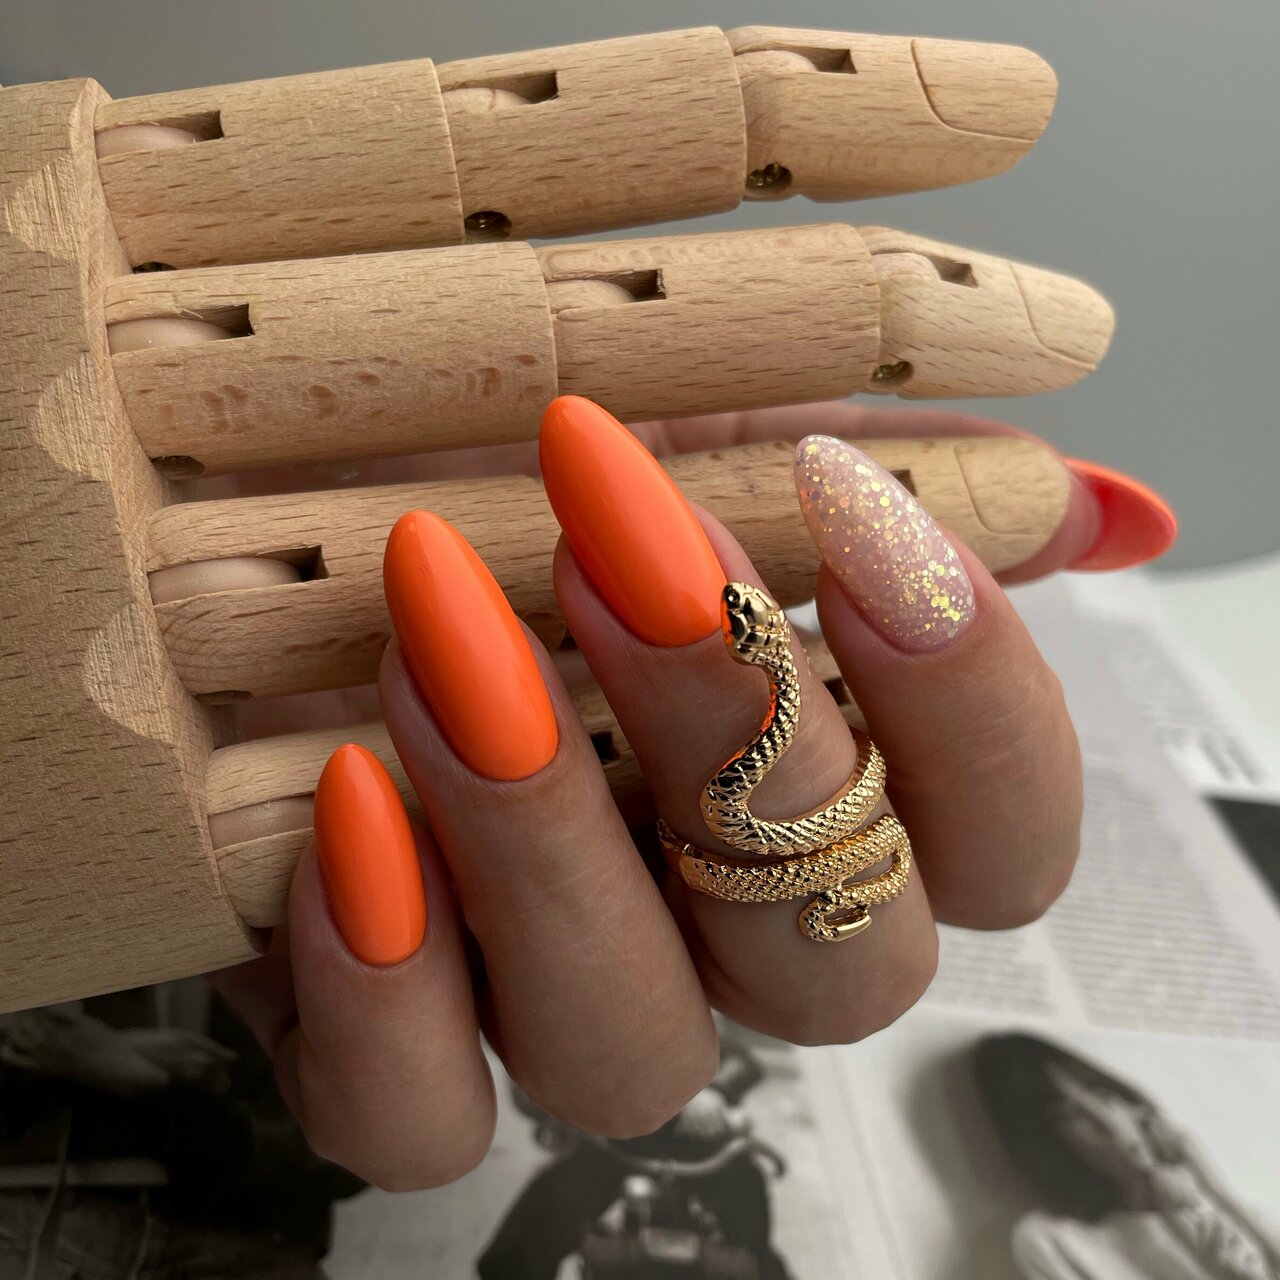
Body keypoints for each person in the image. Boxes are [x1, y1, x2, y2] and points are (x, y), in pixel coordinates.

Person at [478, 1027, 790, 1279]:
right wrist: (561, 1101)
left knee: (755, 1254)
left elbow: (739, 1059)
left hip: (702, 1158)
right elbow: (529, 1085)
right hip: (612, 1150)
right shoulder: (572, 1014)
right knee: (511, 1259)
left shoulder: (672, 1001)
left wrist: (715, 1093)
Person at [975, 1033, 1280, 1280]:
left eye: (1103, 1095)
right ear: (1047, 1142)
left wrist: (1217, 1190)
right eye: (1069, 1114)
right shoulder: (1054, 1241)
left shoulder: (1231, 1217)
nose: (1105, 1121)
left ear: (1135, 1108)